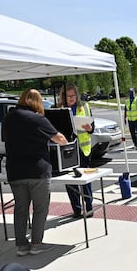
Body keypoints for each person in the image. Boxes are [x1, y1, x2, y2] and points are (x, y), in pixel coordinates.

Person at [1, 88, 68, 256]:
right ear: (37, 102)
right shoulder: (37, 118)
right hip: (37, 170)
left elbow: (6, 140)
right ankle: (36, 244)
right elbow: (61, 140)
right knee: (40, 208)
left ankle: (21, 246)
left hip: (15, 171)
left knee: (20, 209)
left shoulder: (8, 118)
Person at [59, 83, 94, 218]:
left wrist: (90, 129)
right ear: (64, 96)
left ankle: (89, 207)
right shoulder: (59, 108)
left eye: (74, 95)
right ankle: (77, 209)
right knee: (70, 181)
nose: (72, 98)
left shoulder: (84, 106)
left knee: (85, 179)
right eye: (69, 96)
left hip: (83, 149)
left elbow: (93, 127)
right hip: (67, 149)